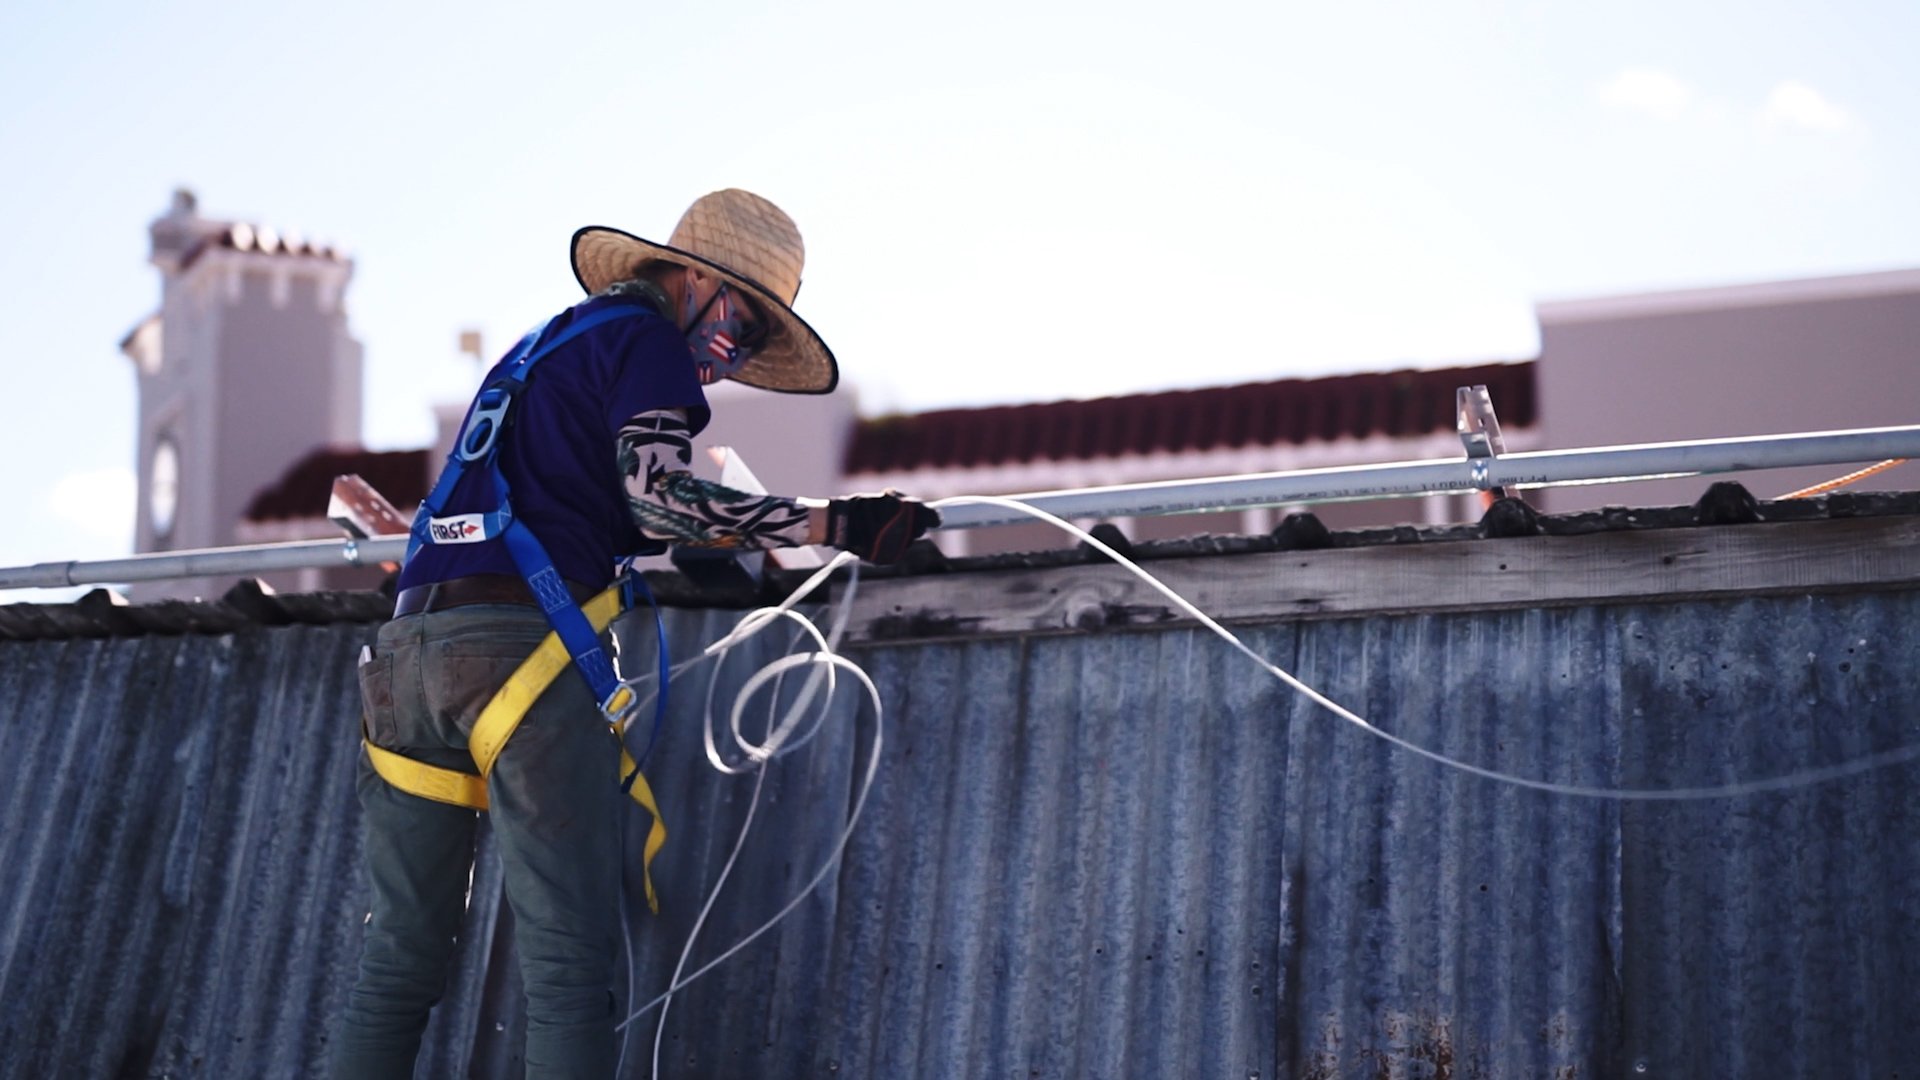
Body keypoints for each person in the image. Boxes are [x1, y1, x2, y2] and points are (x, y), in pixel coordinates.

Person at [330, 189, 937, 1079]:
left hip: (403, 657)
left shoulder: (545, 347)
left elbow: (578, 496)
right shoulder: (648, 342)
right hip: (517, 659)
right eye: (745, 320)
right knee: (571, 971)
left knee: (399, 962)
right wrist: (833, 523)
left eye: (764, 337)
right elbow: (660, 497)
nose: (741, 351)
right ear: (691, 278)